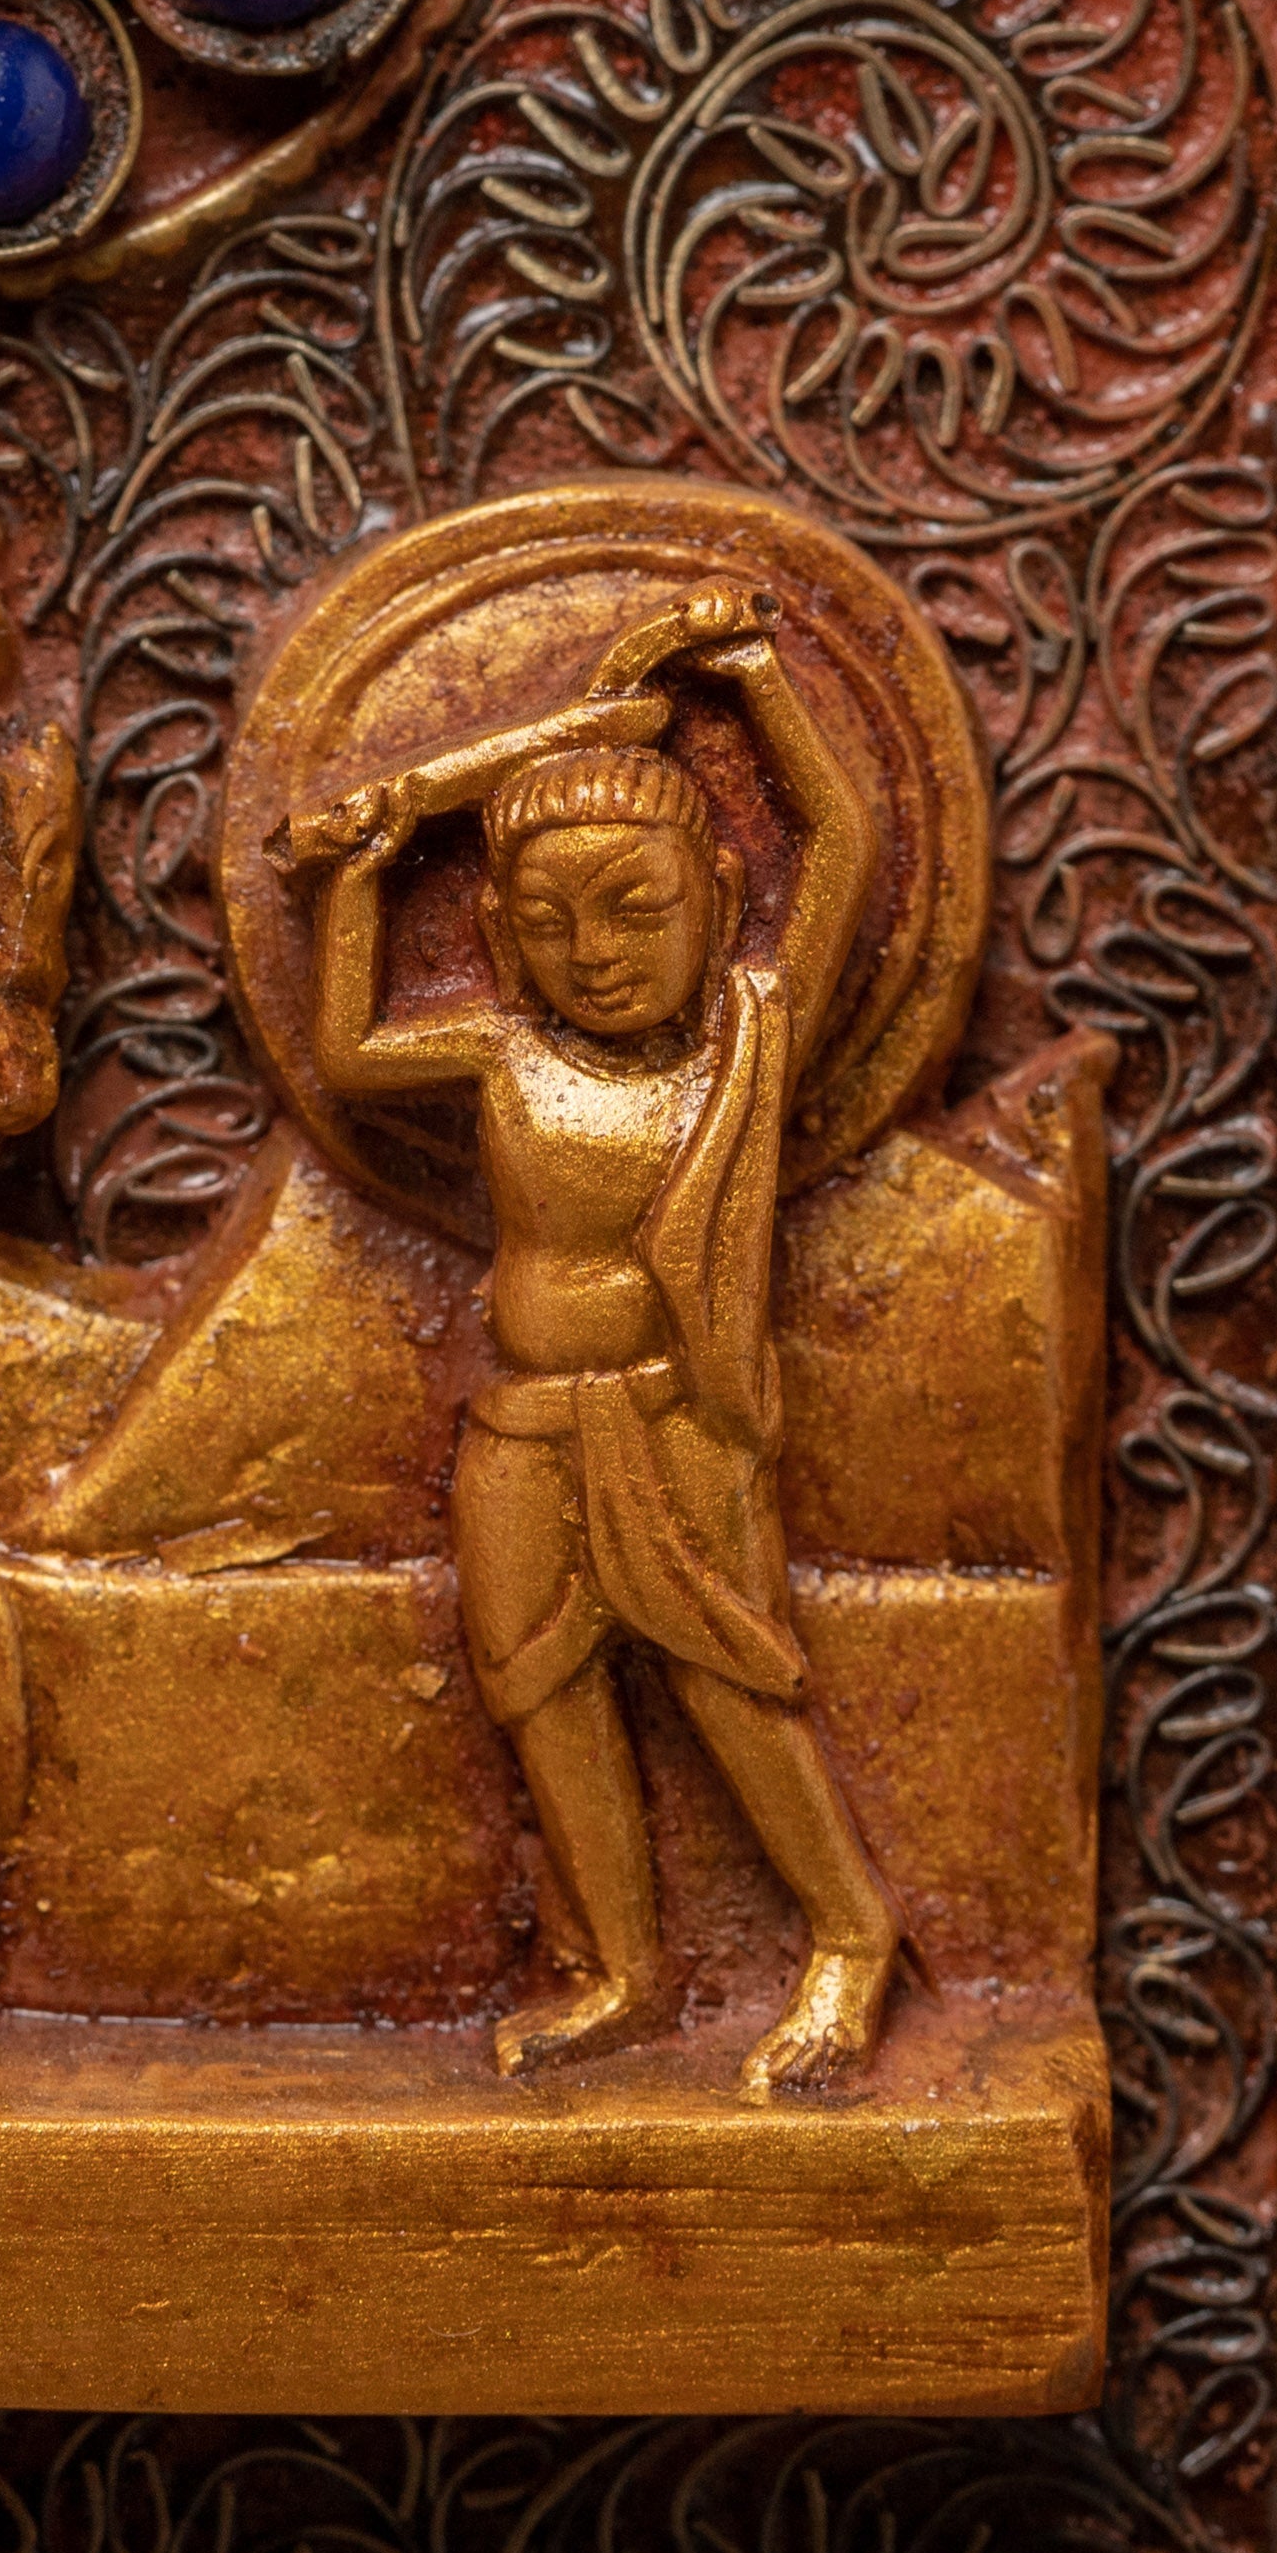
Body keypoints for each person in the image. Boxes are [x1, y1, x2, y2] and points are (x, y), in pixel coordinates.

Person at [290, 580, 905, 2101]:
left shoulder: (749, 1034)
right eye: (554, 923)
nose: (599, 952)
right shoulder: (500, 1049)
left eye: (639, 908)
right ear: (501, 935)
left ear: (719, 896)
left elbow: (843, 840)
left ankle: (850, 1936)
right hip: (521, 1425)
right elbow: (347, 1051)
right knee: (539, 1690)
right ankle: (625, 1968)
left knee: (729, 1682)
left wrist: (757, 679)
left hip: (674, 1416)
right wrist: (365, 874)